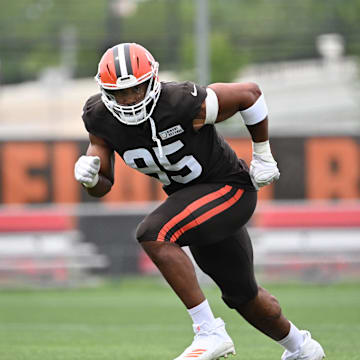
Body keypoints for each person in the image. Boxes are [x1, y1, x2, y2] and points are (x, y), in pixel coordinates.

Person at [74, 42, 325, 360]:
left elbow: (250, 94)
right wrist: (91, 178)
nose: (130, 99)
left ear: (152, 80)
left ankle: (209, 332)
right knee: (243, 296)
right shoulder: (99, 117)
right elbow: (103, 186)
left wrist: (262, 155)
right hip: (196, 204)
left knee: (154, 233)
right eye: (120, 92)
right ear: (105, 91)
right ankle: (303, 348)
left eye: (137, 89)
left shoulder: (181, 102)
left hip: (229, 190)